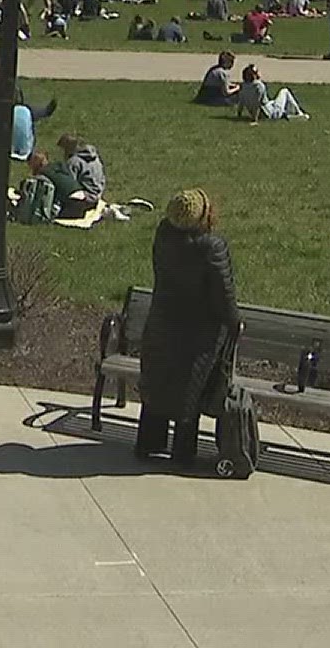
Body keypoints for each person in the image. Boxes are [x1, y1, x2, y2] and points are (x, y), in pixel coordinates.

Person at [137, 188, 239, 467]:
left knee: (158, 386)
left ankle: (148, 443)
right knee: (188, 394)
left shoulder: (163, 236)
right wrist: (234, 322)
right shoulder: (212, 247)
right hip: (197, 333)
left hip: (161, 322)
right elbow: (223, 294)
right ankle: (182, 454)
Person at [236, 64, 309, 122]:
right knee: (284, 91)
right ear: (255, 74)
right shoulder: (259, 86)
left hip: (260, 112)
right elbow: (257, 103)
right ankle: (299, 113)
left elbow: (241, 102)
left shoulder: (243, 86)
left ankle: (288, 114)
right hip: (270, 114)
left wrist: (239, 115)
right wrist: (255, 120)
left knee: (273, 102)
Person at [57, 134, 106, 202]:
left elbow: (69, 186)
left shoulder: (74, 162)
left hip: (85, 198)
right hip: (99, 195)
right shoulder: (96, 158)